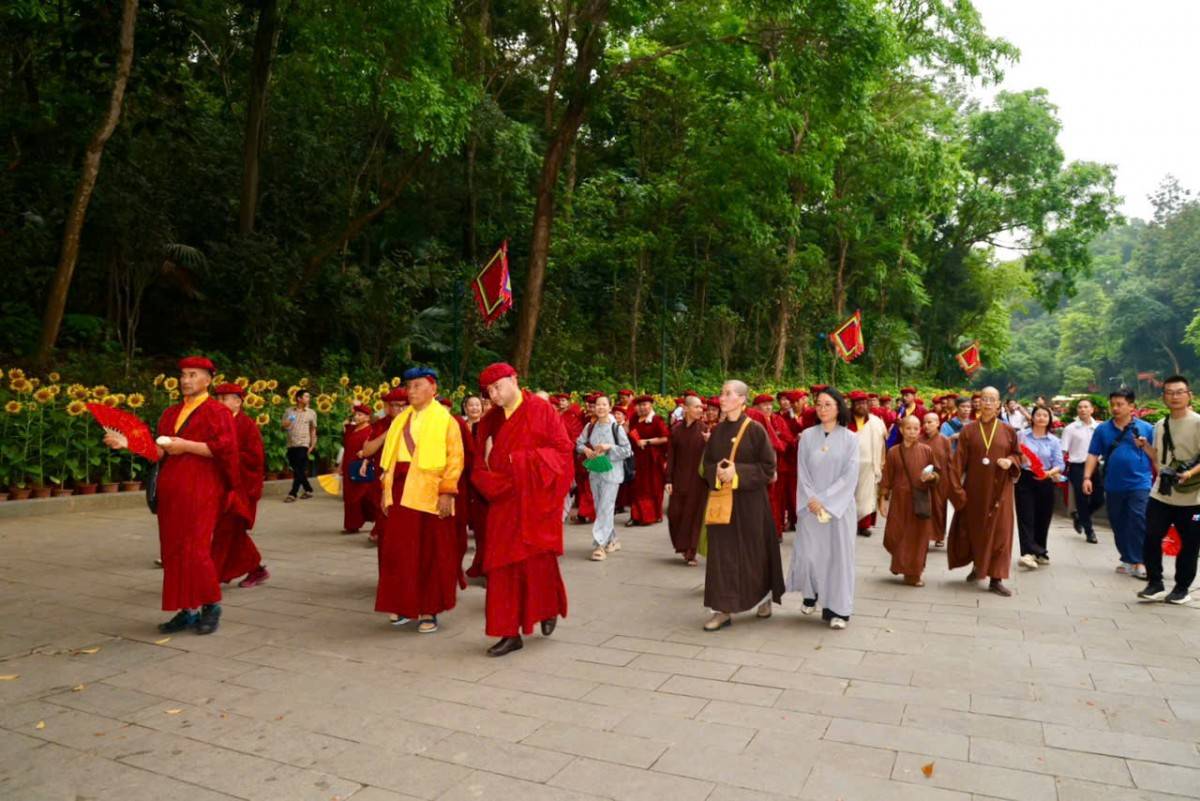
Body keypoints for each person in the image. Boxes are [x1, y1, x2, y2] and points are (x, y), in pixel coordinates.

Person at [104, 356, 239, 635]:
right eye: (183, 375)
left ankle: (211, 605)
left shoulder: (218, 412)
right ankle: (187, 610)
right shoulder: (170, 413)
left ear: (208, 380)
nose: (185, 380)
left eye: (193, 374)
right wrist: (127, 443)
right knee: (174, 550)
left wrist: (187, 445)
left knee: (196, 549)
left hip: (203, 488)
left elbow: (224, 450)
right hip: (173, 490)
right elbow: (160, 452)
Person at [472, 363, 574, 656]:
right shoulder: (491, 419)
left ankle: (548, 607)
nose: (493, 394)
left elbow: (562, 452)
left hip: (535, 501)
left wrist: (520, 462)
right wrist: (491, 483)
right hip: (503, 502)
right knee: (500, 566)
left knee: (537, 564)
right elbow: (479, 462)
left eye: (497, 387)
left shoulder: (541, 411)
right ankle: (509, 632)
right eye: (488, 390)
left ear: (514, 380)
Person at [375, 367, 464, 634]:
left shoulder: (446, 421)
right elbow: (388, 459)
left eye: (417, 385)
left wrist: (447, 492)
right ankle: (403, 606)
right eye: (409, 386)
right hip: (401, 490)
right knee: (399, 552)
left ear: (433, 389)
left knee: (430, 553)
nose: (410, 391)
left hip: (429, 493)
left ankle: (429, 609)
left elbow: (455, 459)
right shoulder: (400, 420)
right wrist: (385, 490)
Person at [701, 380, 784, 631]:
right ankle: (721, 609)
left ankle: (763, 597)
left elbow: (768, 468)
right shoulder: (716, 431)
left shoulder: (756, 429)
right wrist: (719, 472)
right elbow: (706, 466)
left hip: (750, 504)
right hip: (723, 503)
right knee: (721, 556)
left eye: (727, 394)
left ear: (741, 399)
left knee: (753, 553)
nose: (721, 398)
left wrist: (738, 473)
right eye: (722, 392)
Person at [790, 387, 859, 628]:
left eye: (828, 404)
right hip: (811, 507)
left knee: (838, 558)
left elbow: (850, 476)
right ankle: (813, 594)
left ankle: (838, 610)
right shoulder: (807, 436)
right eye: (818, 404)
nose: (822, 409)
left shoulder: (851, 439)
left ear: (839, 407)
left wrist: (826, 500)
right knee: (811, 555)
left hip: (839, 509)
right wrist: (812, 499)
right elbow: (803, 472)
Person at [946, 386, 1021, 597]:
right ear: (979, 403)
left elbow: (1018, 455)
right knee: (976, 530)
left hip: (1001, 490)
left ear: (998, 404)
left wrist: (1010, 461)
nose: (988, 402)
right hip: (976, 490)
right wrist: (957, 492)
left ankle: (996, 579)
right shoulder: (969, 431)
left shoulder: (1008, 431)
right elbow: (957, 463)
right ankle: (978, 566)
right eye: (984, 399)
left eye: (992, 399)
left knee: (1001, 532)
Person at [1137, 376, 1200, 604]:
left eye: (1179, 392)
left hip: (1193, 496)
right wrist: (1145, 447)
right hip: (1161, 493)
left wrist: (1190, 474)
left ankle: (1182, 588)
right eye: (1169, 392)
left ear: (1188, 395)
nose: (1174, 396)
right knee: (1151, 536)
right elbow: (1160, 459)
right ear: (1163, 397)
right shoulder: (1161, 425)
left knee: (1191, 543)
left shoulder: (1197, 422)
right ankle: (1155, 583)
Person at [1083, 388, 1155, 579]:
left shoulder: (1146, 428)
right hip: (1113, 484)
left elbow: (1157, 457)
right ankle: (1127, 557)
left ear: (1131, 406)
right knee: (1118, 521)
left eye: (1120, 404)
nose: (1115, 408)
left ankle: (1140, 561)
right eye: (1112, 404)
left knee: (1138, 518)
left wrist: (1145, 445)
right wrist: (1087, 477)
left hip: (1140, 482)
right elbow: (1093, 454)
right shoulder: (1103, 429)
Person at [210, 383, 268, 588]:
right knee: (228, 532)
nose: (220, 403)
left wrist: (228, 455)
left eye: (225, 399)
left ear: (238, 401)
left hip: (241, 487)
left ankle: (212, 576)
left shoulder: (247, 425)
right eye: (217, 398)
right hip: (220, 485)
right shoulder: (216, 423)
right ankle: (256, 569)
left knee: (227, 530)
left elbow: (255, 458)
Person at [879, 416, 940, 586]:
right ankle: (900, 561)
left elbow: (937, 475)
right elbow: (887, 478)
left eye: (916, 428)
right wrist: (882, 501)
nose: (912, 432)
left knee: (918, 537)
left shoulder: (927, 450)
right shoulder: (893, 452)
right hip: (899, 499)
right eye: (909, 428)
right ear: (901, 430)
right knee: (895, 533)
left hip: (919, 498)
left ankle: (914, 574)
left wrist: (931, 477)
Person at [576, 395, 633, 560]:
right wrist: (586, 450)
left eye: (604, 405)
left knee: (605, 508)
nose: (600, 407)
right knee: (600, 507)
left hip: (612, 473)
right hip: (595, 471)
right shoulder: (590, 426)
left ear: (610, 407)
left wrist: (609, 447)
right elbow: (579, 443)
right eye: (597, 405)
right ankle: (612, 540)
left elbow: (627, 450)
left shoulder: (616, 428)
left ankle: (599, 545)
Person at [1015, 406, 1065, 570]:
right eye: (1038, 415)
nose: (1042, 418)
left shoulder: (1054, 441)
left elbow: (1060, 464)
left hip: (1045, 478)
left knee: (1043, 517)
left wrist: (1049, 473)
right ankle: (1027, 553)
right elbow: (1014, 453)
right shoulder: (1022, 435)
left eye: (1045, 415)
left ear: (1050, 419)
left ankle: (1040, 551)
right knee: (1026, 516)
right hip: (1026, 478)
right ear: (1032, 417)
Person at [666, 395, 709, 565]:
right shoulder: (676, 430)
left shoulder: (704, 429)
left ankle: (691, 551)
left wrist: (709, 443)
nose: (700, 410)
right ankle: (682, 546)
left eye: (701, 407)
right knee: (674, 514)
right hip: (678, 479)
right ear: (686, 409)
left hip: (698, 481)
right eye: (697, 407)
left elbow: (712, 455)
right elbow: (671, 457)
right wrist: (668, 479)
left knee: (694, 515)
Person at [1061, 398, 1102, 544]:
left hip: (1095, 466)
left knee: (1099, 499)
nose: (1082, 410)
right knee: (1082, 499)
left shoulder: (1099, 428)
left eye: (1086, 407)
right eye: (1080, 407)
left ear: (1092, 409)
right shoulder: (1070, 429)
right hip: (1077, 466)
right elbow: (1063, 451)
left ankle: (1080, 517)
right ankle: (1089, 531)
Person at [847, 390, 887, 537]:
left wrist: (882, 462)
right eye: (857, 403)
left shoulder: (876, 422)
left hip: (869, 465)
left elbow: (883, 444)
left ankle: (864, 526)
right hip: (848, 466)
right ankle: (849, 524)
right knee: (848, 496)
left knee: (867, 496)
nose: (861, 406)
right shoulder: (844, 421)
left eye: (863, 403)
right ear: (852, 405)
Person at [627, 395, 670, 527]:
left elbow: (665, 438)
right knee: (638, 487)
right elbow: (630, 432)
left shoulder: (657, 420)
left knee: (653, 487)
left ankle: (654, 515)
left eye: (645, 405)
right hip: (639, 459)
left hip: (654, 460)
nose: (642, 407)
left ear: (650, 405)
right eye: (639, 405)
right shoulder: (634, 418)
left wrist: (647, 441)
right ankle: (636, 515)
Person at [462, 394, 489, 578]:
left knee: (483, 526)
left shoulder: (487, 428)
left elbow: (489, 454)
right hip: (462, 477)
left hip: (480, 478)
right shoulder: (460, 427)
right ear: (465, 408)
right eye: (470, 405)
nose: (474, 408)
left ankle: (484, 565)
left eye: (477, 405)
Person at [341, 404, 378, 534]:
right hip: (348, 465)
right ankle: (352, 525)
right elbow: (345, 444)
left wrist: (364, 453)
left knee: (364, 495)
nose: (356, 417)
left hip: (361, 466)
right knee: (349, 496)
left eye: (360, 415)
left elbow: (373, 448)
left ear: (368, 417)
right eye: (356, 414)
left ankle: (377, 518)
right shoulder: (353, 429)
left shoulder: (371, 431)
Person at [920, 411, 952, 547]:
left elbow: (950, 461)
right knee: (924, 507)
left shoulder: (944, 440)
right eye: (924, 422)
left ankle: (939, 536)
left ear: (938, 423)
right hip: (923, 478)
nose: (926, 425)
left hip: (941, 480)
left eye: (930, 422)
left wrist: (952, 479)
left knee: (939, 508)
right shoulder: (919, 439)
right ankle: (924, 535)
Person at [281, 388, 317, 502]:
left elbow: (313, 430)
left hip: (304, 443)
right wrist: (289, 421)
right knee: (297, 469)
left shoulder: (311, 413)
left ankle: (293, 494)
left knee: (298, 468)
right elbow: (283, 427)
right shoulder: (289, 411)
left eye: (308, 397)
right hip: (291, 444)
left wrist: (312, 444)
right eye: (306, 396)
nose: (308, 398)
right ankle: (308, 489)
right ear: (299, 398)